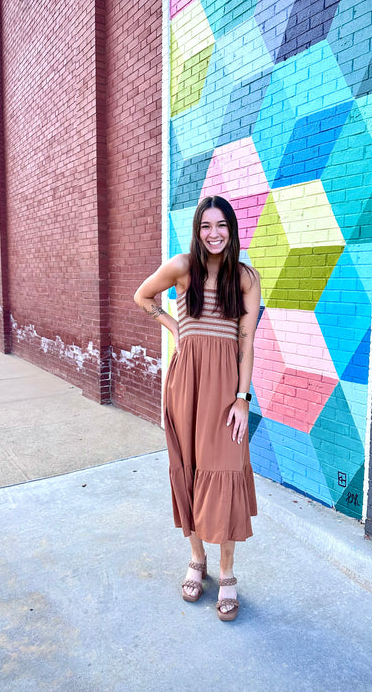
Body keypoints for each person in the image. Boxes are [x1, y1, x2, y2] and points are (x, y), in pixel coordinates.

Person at [134, 195, 261, 621]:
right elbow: (142, 295)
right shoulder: (181, 267)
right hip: (185, 384)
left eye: (221, 225)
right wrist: (174, 326)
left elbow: (247, 345)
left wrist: (243, 400)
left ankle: (227, 571)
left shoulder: (244, 278)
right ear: (197, 229)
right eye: (206, 226)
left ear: (232, 229)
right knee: (187, 468)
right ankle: (196, 559)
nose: (214, 233)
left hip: (226, 391)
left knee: (224, 472)